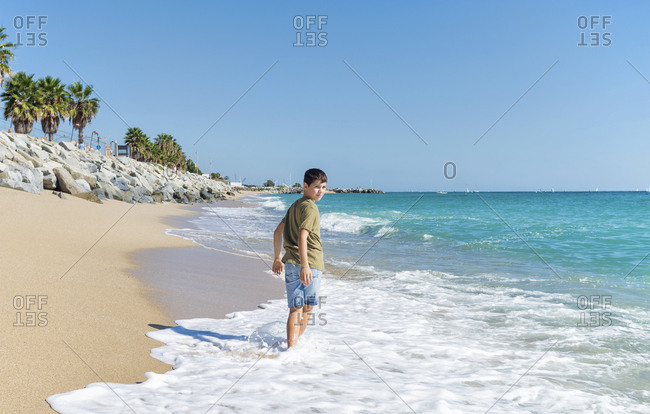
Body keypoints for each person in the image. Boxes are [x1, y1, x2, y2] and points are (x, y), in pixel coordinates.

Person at [273, 168, 327, 347]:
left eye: (324, 187)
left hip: (290, 264)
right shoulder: (311, 208)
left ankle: (290, 347)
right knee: (308, 308)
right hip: (310, 263)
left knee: (294, 309)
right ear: (305, 186)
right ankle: (293, 347)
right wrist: (305, 266)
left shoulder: (295, 205)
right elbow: (302, 236)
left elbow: (277, 231)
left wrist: (277, 257)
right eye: (317, 187)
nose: (321, 191)